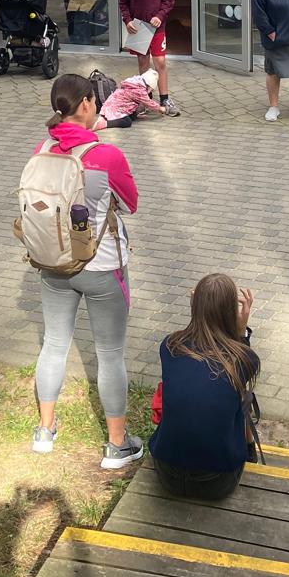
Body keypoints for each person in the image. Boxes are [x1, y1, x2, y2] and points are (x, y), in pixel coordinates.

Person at [31, 74, 144, 469]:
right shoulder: (106, 156)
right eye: (94, 101)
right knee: (110, 355)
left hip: (53, 263)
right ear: (84, 105)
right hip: (102, 267)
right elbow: (130, 203)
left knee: (53, 345)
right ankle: (117, 445)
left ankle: (45, 431)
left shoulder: (42, 149)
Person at [149, 274, 261, 500]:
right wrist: (241, 332)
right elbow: (239, 368)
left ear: (195, 305)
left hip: (167, 473)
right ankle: (249, 451)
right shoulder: (246, 359)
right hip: (217, 480)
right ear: (232, 312)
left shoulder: (169, 346)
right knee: (242, 396)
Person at [120, 0, 180, 116]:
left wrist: (160, 16)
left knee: (160, 61)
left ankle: (165, 99)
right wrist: (127, 20)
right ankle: (146, 99)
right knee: (143, 61)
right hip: (138, 26)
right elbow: (123, 1)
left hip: (156, 26)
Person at [93, 68, 167, 130]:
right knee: (127, 122)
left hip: (114, 105)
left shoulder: (134, 83)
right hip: (115, 109)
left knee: (133, 116)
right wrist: (160, 108)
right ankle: (105, 124)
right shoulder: (139, 91)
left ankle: (128, 116)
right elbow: (148, 103)